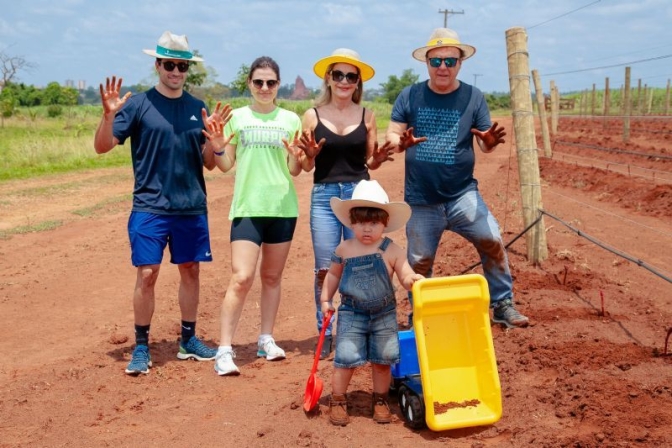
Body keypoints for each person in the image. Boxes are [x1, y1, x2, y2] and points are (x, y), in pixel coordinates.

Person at [93, 31, 232, 375]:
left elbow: (210, 163)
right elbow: (102, 146)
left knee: (191, 270)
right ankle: (141, 346)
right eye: (169, 64)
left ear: (188, 69)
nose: (175, 71)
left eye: (181, 66)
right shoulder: (138, 105)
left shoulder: (197, 108)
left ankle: (188, 340)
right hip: (149, 206)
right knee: (148, 272)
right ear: (157, 65)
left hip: (190, 206)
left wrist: (215, 143)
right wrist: (109, 116)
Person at [385, 28, 530, 328]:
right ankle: (420, 314)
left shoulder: (473, 97)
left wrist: (490, 140)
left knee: (491, 239)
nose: (443, 68)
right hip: (421, 199)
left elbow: (484, 144)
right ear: (426, 62)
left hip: (462, 194)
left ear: (460, 63)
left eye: (450, 61)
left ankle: (503, 304)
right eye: (436, 61)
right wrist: (400, 142)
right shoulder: (409, 95)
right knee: (420, 261)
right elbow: (393, 133)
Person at [205, 56, 303, 376]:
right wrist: (218, 146)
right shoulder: (237, 118)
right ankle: (224, 349)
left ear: (278, 85)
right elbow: (224, 165)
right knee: (242, 277)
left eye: (270, 82)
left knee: (272, 278)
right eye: (258, 82)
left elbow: (293, 169)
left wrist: (300, 157)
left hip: (282, 208)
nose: (264, 87)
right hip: (248, 208)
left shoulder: (291, 120)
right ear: (249, 83)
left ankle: (265, 339)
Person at [299, 48, 394, 360]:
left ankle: (360, 331)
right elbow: (307, 164)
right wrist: (309, 155)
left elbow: (370, 160)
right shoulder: (312, 115)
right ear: (328, 78)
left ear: (357, 82)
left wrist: (377, 159)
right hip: (324, 195)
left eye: (350, 76)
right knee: (325, 267)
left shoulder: (367, 115)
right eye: (337, 74)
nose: (343, 81)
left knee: (362, 263)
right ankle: (326, 330)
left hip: (359, 196)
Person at [320, 180, 424, 426]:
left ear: (385, 223)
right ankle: (338, 400)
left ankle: (380, 400)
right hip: (351, 313)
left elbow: (405, 273)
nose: (367, 229)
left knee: (382, 360)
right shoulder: (344, 249)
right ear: (351, 222)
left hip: (383, 315)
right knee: (345, 359)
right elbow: (333, 274)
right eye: (361, 223)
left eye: (374, 223)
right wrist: (325, 299)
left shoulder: (392, 250)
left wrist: (412, 280)